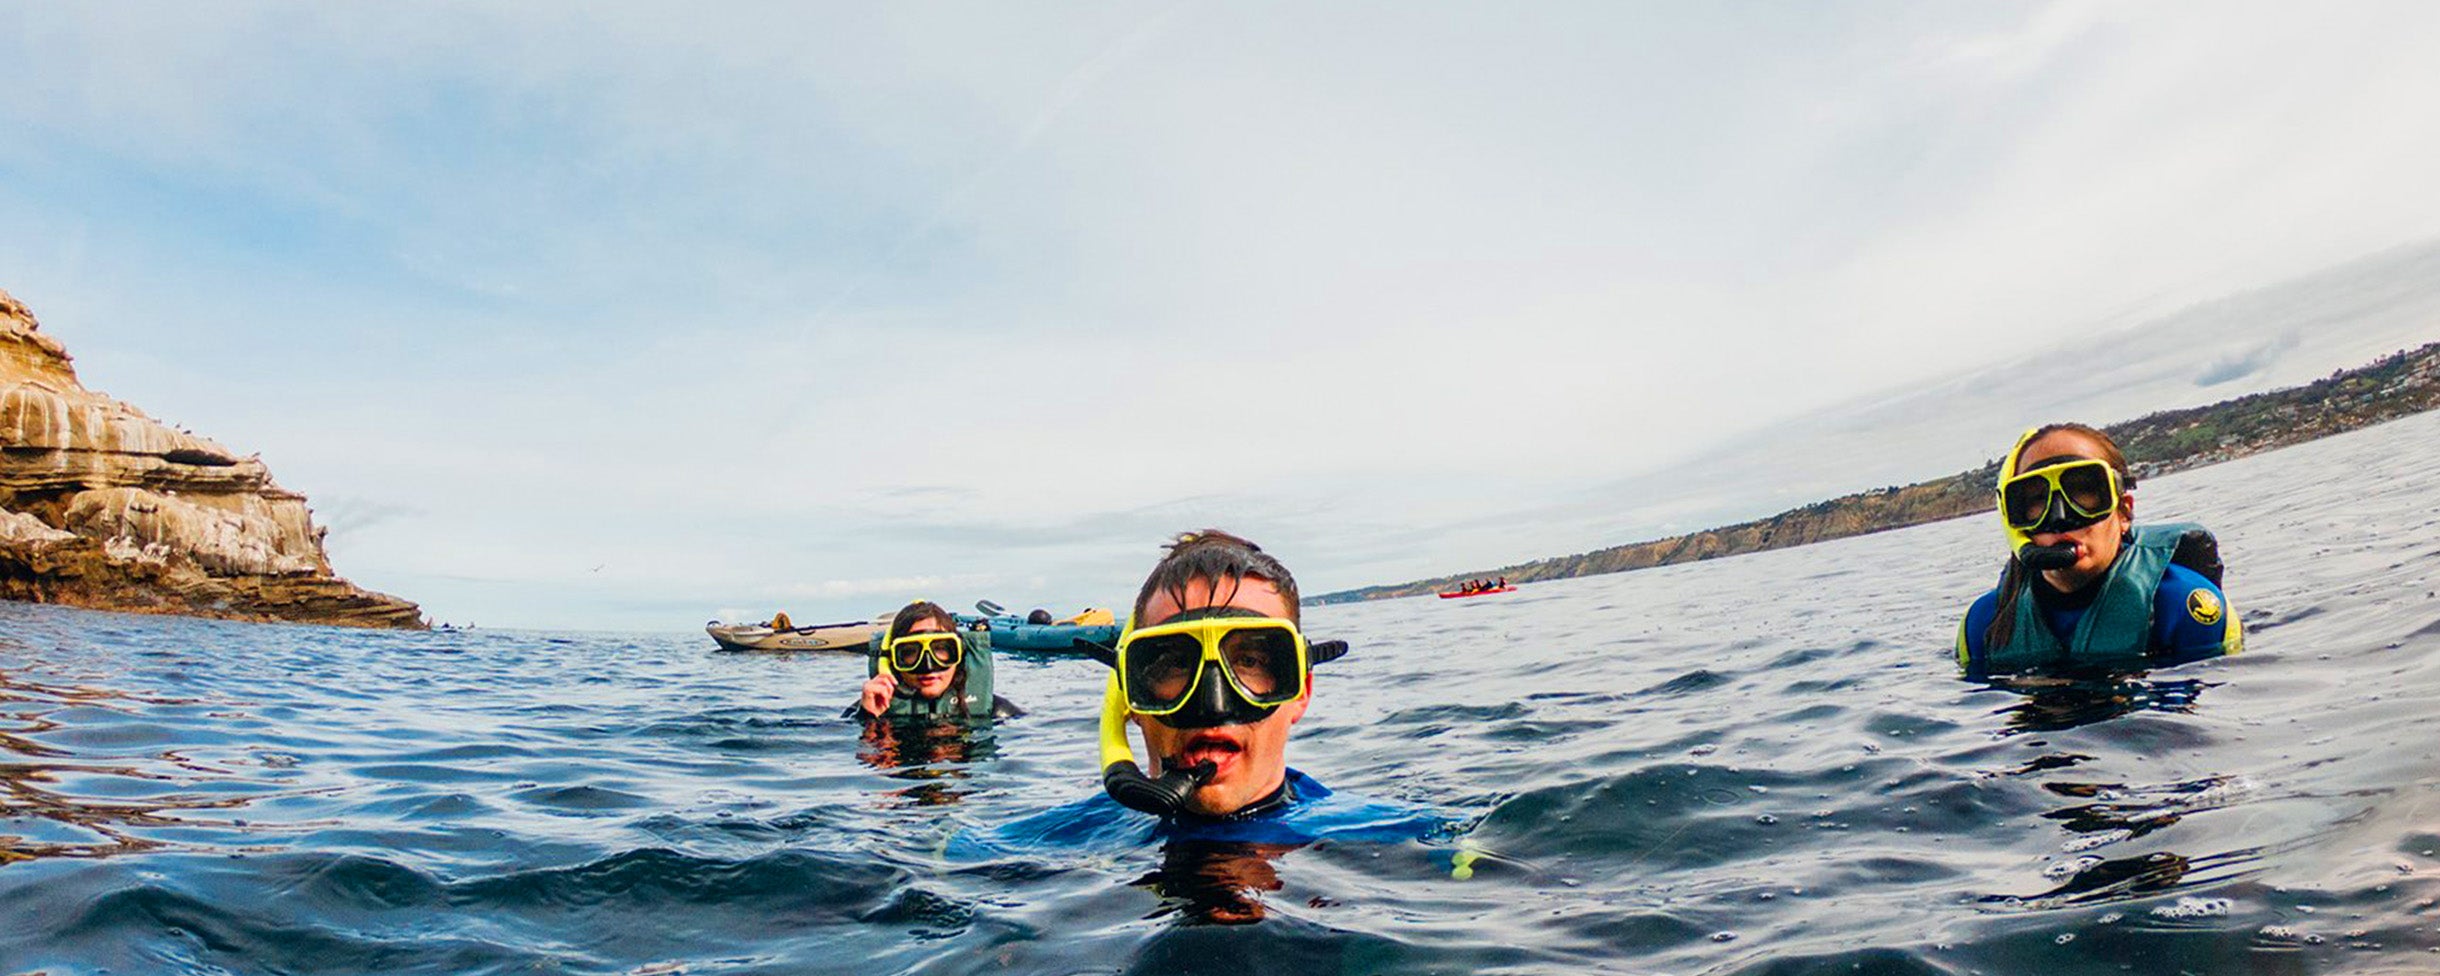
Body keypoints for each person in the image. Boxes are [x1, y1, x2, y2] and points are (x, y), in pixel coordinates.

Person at [1956, 424, 2242, 677]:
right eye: (2035, 501)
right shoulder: (1982, 627)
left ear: (2124, 513)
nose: (2060, 518)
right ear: (2016, 526)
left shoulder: (2183, 608)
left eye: (2084, 492)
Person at [851, 600, 1022, 723]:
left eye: (940, 649)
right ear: (892, 661)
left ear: (960, 655)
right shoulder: (865, 711)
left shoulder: (999, 713)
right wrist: (868, 720)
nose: (928, 666)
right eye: (910, 652)